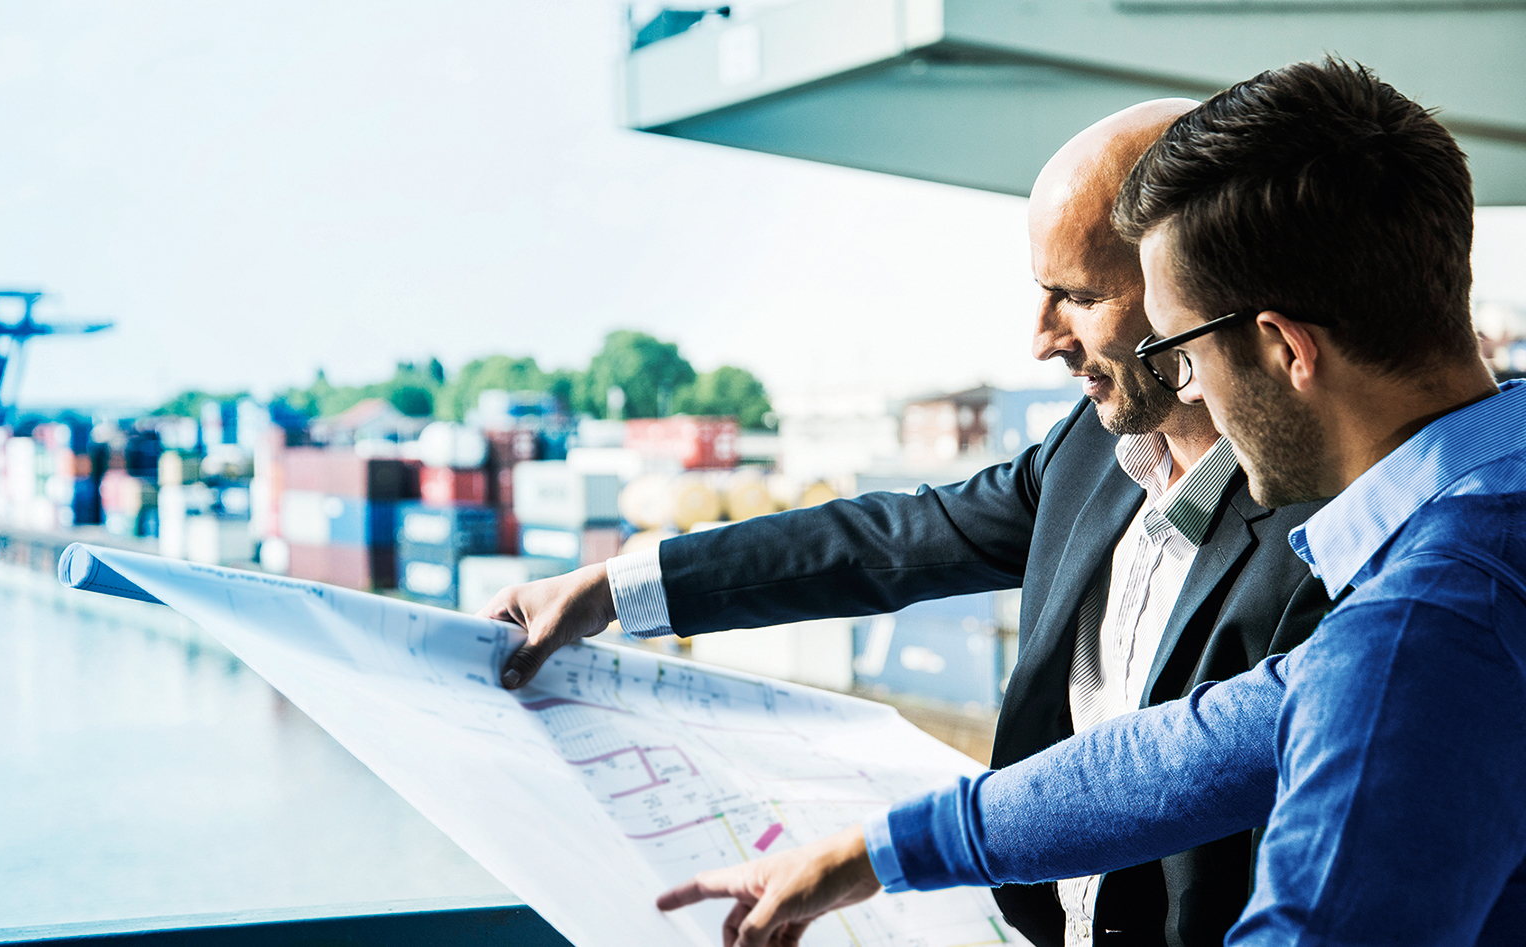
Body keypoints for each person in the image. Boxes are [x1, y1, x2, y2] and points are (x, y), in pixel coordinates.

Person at [655, 59, 1526, 947]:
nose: (1188, 387)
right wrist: (878, 851)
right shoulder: (1490, 515)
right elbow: (1194, 749)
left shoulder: (1426, 623)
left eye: (1183, 349)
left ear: (1284, 348)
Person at [485, 101, 1332, 947]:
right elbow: (890, 541)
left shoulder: (1331, 533)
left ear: (1188, 292)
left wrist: (882, 852)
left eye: (1076, 295)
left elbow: (1184, 782)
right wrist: (613, 590)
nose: (1041, 339)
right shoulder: (1088, 448)